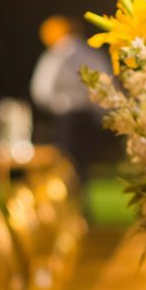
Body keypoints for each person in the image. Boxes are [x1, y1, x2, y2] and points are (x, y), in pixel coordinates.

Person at [30, 14, 110, 188]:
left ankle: (70, 206)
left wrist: (56, 105)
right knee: (83, 166)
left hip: (67, 118)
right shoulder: (92, 54)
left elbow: (42, 90)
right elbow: (107, 88)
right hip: (89, 117)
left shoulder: (56, 55)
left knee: (66, 165)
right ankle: (81, 207)